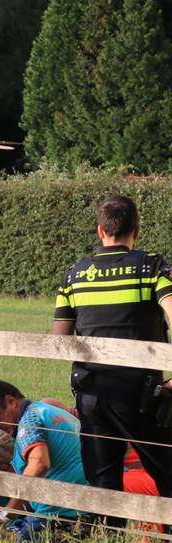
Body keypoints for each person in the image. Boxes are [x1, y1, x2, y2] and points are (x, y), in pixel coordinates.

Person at [53, 194, 172, 518]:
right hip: (141, 393)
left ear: (100, 231)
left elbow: (59, 339)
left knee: (103, 483)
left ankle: (108, 540)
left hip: (91, 393)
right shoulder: (151, 267)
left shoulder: (74, 276)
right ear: (136, 229)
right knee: (167, 474)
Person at [0, 380, 93, 542]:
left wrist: (5, 514)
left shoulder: (29, 422)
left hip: (58, 516)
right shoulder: (48, 410)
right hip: (87, 509)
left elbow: (39, 464)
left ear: (11, 401)